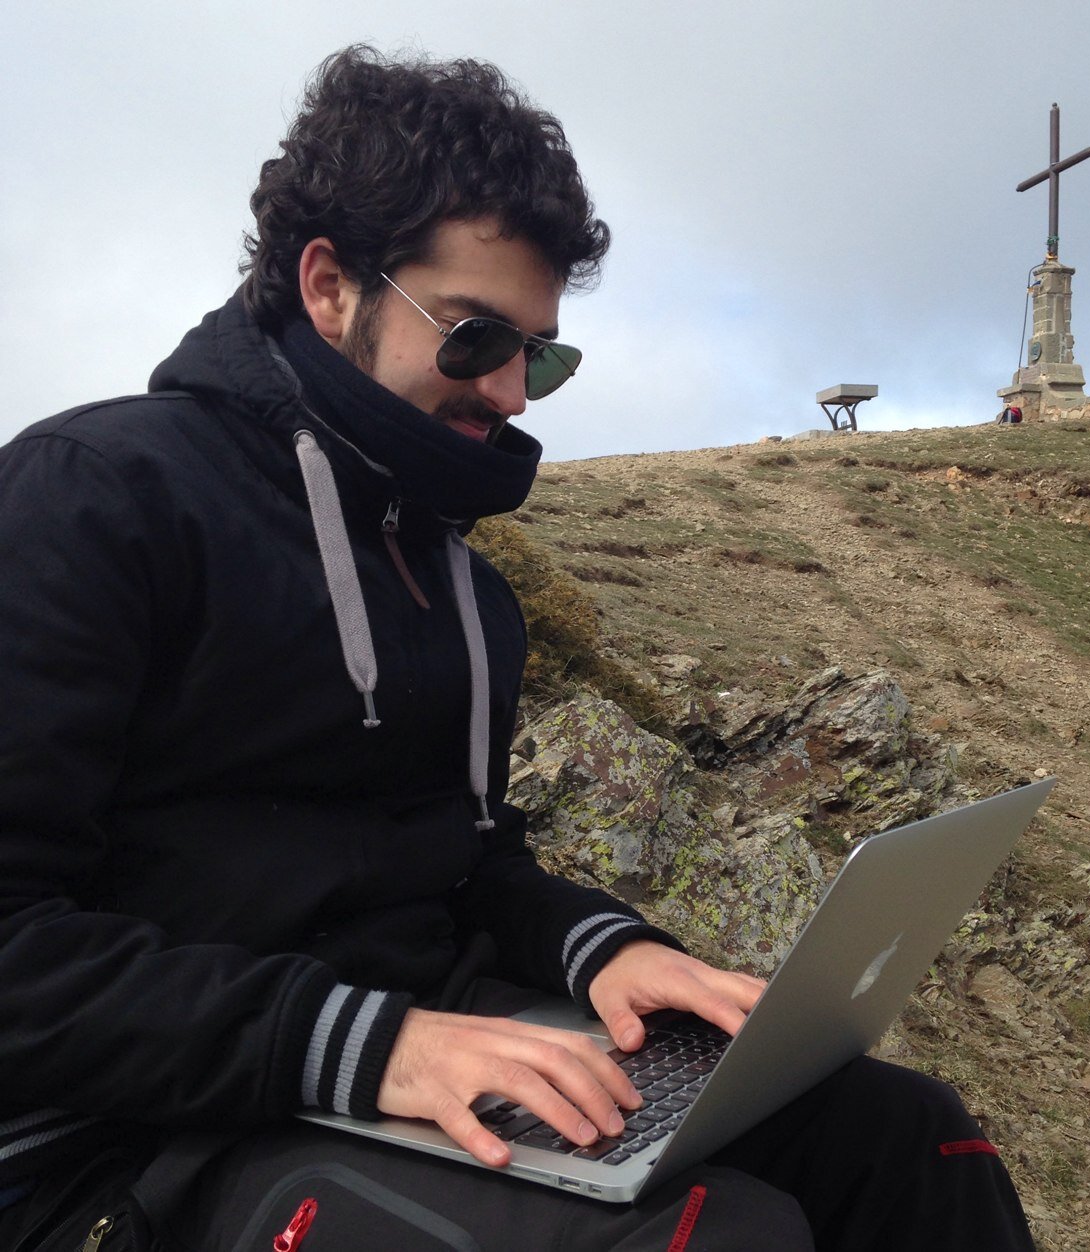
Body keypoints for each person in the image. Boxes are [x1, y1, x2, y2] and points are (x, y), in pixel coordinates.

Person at [0, 46, 1037, 1250]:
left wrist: (603, 950)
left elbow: (468, 865)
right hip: (120, 1140)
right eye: (474, 336)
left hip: (411, 1058)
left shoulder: (461, 580)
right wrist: (367, 1045)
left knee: (908, 1140)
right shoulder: (92, 497)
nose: (512, 392)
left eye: (537, 351)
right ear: (330, 284)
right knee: (721, 1232)